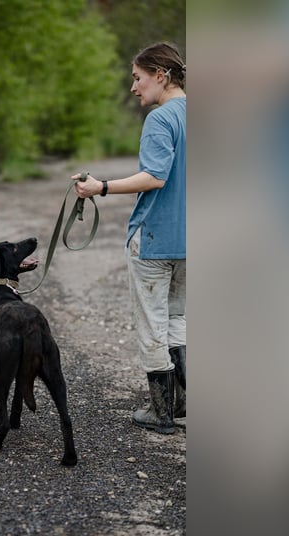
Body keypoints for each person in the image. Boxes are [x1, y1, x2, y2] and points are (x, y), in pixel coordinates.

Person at [72, 41, 186, 434]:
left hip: (155, 239)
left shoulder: (161, 119)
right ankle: (182, 402)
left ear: (161, 75)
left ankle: (161, 412)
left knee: (152, 323)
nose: (134, 88)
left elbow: (155, 176)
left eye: (138, 78)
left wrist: (99, 187)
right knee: (179, 318)